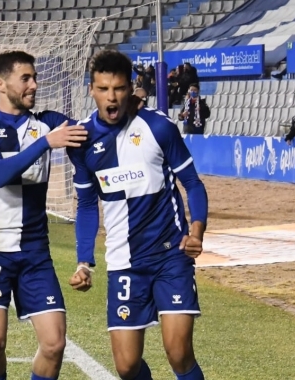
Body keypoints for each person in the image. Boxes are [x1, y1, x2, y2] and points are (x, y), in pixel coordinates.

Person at [66, 50, 208, 380]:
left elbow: (192, 183)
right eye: (103, 89)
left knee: (178, 351)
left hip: (170, 256)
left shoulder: (159, 127)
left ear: (130, 88)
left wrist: (197, 229)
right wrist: (84, 261)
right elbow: (87, 204)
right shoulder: (82, 142)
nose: (111, 97)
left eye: (117, 88)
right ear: (91, 90)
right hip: (124, 262)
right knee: (127, 366)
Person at [0, 50, 88, 380]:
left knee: (54, 344)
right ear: (0, 84)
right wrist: (45, 143)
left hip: (34, 250)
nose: (34, 84)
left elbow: (96, 131)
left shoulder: (48, 121)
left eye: (34, 77)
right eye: (26, 78)